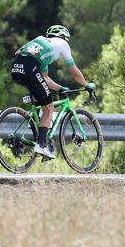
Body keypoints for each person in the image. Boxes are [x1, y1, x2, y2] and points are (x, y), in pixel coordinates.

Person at [10, 24, 95, 159]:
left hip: (16, 67)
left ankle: (37, 133)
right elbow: (74, 72)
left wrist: (60, 88)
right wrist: (87, 85)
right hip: (30, 67)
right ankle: (41, 145)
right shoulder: (62, 43)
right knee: (49, 108)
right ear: (63, 36)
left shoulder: (42, 47)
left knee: (40, 99)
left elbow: (45, 78)